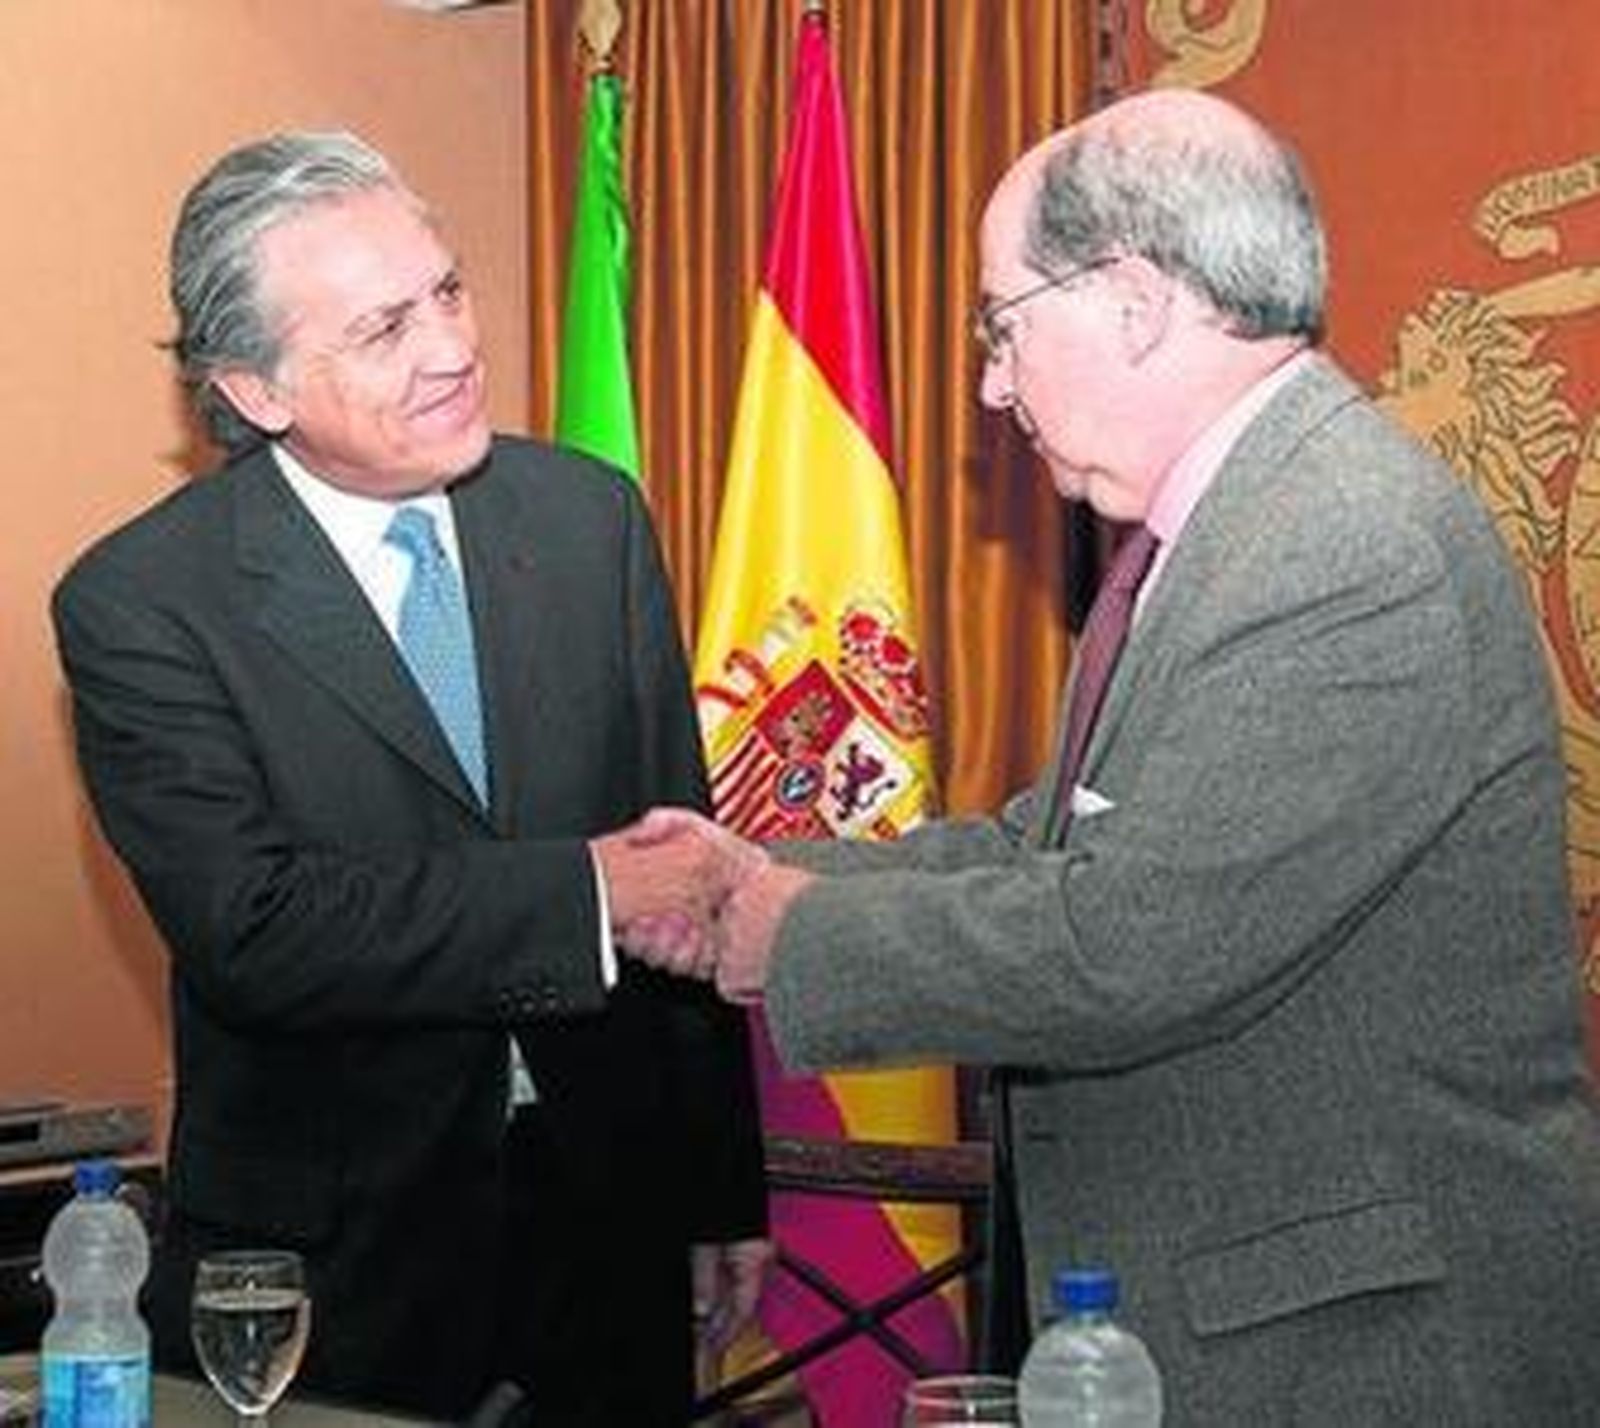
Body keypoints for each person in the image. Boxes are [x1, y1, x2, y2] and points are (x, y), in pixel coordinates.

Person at [622, 89, 1600, 1424]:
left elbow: (1131, 943)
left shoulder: (1338, 546)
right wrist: (749, 863)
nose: (991, 381)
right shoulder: (1220, 533)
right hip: (1250, 1322)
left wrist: (768, 929)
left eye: (1001, 325)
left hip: (1362, 1353)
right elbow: (1048, 856)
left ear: (1133, 302)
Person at [52, 130, 767, 1426]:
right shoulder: (144, 602)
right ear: (255, 390)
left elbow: (682, 866)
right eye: (384, 327)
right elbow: (259, 930)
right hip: (335, 1271)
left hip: (607, 1235)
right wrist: (581, 894)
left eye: (447, 291)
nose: (451, 347)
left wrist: (719, 1191)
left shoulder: (588, 518)